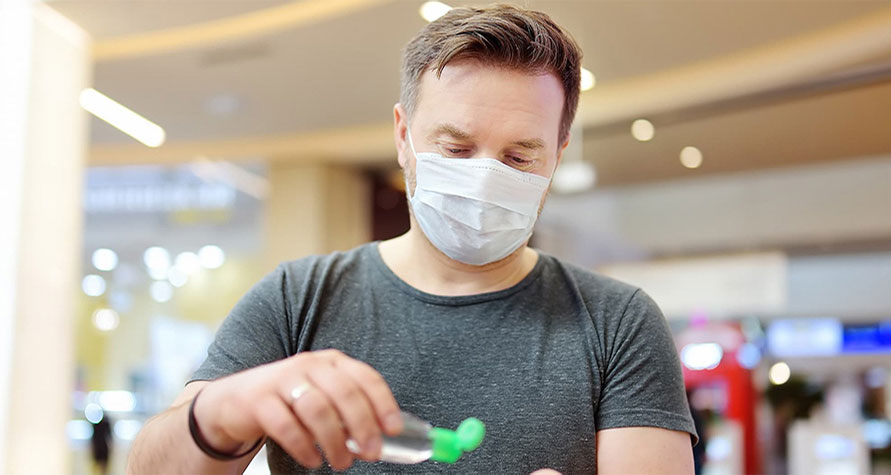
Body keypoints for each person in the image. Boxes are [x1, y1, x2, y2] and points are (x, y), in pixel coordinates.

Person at [126, 4, 697, 474]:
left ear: (558, 154)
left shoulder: (617, 323)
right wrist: (222, 411)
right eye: (454, 149)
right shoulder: (296, 300)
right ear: (403, 136)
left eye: (520, 156)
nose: (485, 178)